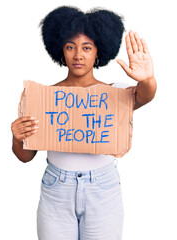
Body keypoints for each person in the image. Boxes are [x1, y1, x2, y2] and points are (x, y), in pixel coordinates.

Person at [11, 6, 157, 240]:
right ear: (61, 50)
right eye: (71, 47)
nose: (78, 55)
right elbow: (25, 156)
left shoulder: (114, 94)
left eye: (86, 48)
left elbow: (144, 96)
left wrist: (148, 79)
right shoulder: (43, 97)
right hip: (56, 190)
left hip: (103, 189)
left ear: (98, 52)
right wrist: (17, 138)